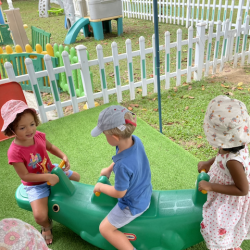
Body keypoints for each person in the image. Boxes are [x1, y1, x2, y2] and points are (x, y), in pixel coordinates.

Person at [1, 100, 80, 245]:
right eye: (22, 127)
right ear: (12, 129)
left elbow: (51, 147)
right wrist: (48, 177)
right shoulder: (14, 152)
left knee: (76, 177)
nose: (30, 130)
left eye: (32, 124)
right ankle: (46, 225)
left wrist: (63, 156)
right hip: (35, 184)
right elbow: (25, 175)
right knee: (39, 216)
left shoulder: (38, 136)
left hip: (51, 170)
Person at [91, 105, 152, 250]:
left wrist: (100, 187)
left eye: (105, 135)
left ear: (115, 137)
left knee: (104, 229)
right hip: (145, 191)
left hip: (133, 204)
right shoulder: (135, 140)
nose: (105, 138)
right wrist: (109, 168)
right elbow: (125, 160)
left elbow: (119, 193)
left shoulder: (122, 165)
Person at [198, 95, 250, 250]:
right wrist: (208, 163)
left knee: (219, 228)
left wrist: (211, 186)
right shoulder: (233, 144)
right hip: (224, 192)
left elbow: (243, 189)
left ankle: (227, 247)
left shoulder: (234, 162)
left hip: (229, 201)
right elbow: (222, 156)